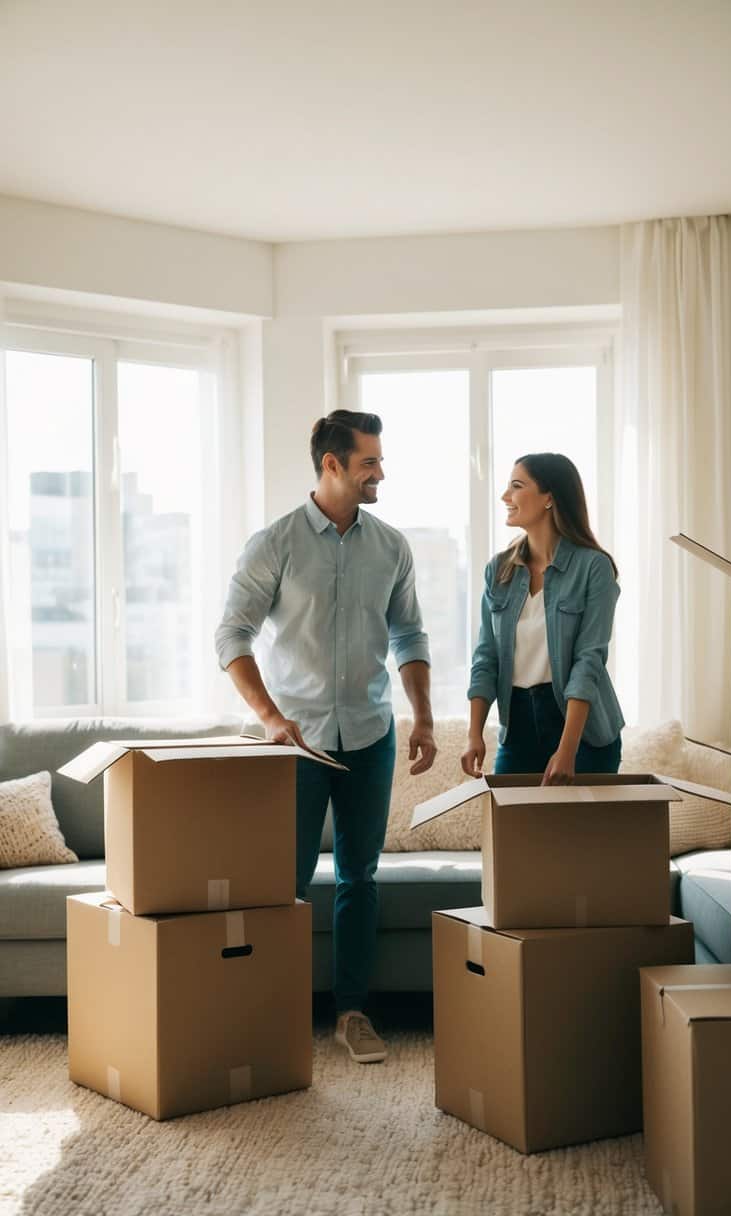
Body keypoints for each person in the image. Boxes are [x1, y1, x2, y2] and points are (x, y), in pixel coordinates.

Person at [215, 409, 436, 1064]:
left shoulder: (391, 546)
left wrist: (422, 715)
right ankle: (272, 1013)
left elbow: (410, 636)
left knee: (358, 876)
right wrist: (270, 717)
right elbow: (231, 635)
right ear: (332, 464)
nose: (380, 473)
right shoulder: (274, 544)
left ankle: (351, 1013)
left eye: (379, 460)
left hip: (371, 733)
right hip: (297, 741)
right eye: (369, 461)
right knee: (284, 882)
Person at [461, 452, 623, 785]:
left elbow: (588, 661)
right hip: (518, 725)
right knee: (512, 833)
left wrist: (568, 749)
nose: (505, 497)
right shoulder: (499, 569)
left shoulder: (594, 568)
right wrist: (474, 733)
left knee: (577, 838)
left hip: (583, 734)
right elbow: (486, 656)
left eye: (517, 486)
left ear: (549, 497)